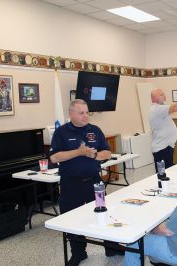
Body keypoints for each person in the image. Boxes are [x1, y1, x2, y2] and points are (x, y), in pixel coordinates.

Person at [50, 99, 113, 266]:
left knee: (104, 214)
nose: (85, 116)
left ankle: (111, 247)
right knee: (71, 219)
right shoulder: (61, 132)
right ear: (71, 114)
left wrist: (92, 155)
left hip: (94, 182)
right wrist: (78, 152)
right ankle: (79, 253)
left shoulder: (95, 130)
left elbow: (107, 152)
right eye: (81, 113)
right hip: (71, 184)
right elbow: (54, 157)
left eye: (87, 112)